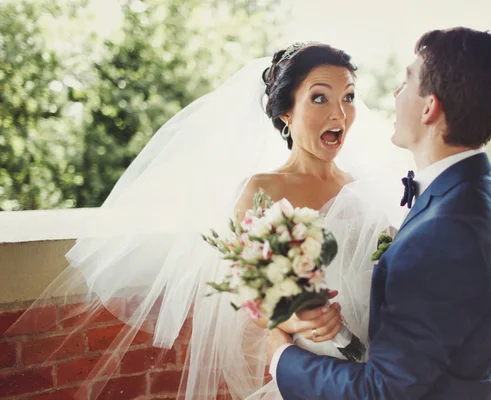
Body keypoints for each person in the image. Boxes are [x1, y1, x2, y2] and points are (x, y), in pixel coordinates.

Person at [8, 42, 410, 400]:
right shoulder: (261, 191)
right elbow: (252, 304)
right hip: (310, 370)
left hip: (379, 370)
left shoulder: (364, 190)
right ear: (286, 112)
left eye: (350, 97)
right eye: (320, 98)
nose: (340, 113)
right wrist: (295, 317)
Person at [268, 27, 491, 399]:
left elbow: (383, 390)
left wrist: (280, 358)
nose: (394, 93)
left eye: (406, 82)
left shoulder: (444, 231)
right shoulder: (475, 193)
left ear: (429, 107)